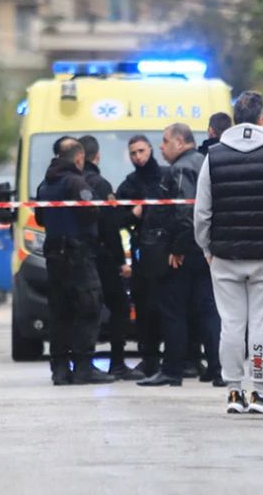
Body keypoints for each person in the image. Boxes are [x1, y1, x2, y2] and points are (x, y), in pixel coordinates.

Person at [193, 92, 263, 414]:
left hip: (225, 254)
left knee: (231, 324)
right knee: (262, 324)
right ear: (262, 119)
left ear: (235, 120)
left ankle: (234, 392)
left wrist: (206, 247)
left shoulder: (214, 156)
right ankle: (261, 392)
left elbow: (202, 212)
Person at [138, 123, 223, 388]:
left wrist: (177, 248)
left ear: (179, 142)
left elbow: (186, 214)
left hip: (185, 252)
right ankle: (218, 369)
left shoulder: (182, 168)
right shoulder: (204, 162)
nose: (161, 147)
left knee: (173, 311)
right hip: (205, 249)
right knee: (207, 310)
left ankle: (172, 371)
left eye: (165, 141)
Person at [35, 138, 115, 386]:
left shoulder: (44, 185)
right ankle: (83, 367)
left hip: (53, 256)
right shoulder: (76, 182)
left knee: (60, 313)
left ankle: (60, 369)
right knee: (89, 307)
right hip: (78, 254)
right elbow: (90, 212)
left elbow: (40, 218)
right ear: (79, 158)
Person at [78, 136, 142, 380]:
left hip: (79, 256)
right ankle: (117, 363)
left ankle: (78, 364)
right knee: (120, 307)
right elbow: (109, 227)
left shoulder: (70, 183)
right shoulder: (101, 185)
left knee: (83, 311)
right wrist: (121, 262)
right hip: (102, 257)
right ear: (97, 156)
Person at [117, 135, 167, 378]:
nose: (138, 157)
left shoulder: (166, 177)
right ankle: (149, 358)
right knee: (145, 307)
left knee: (168, 307)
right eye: (133, 153)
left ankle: (176, 358)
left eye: (141, 151)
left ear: (150, 149)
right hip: (142, 253)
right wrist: (133, 215)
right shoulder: (129, 184)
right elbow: (117, 219)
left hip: (167, 252)